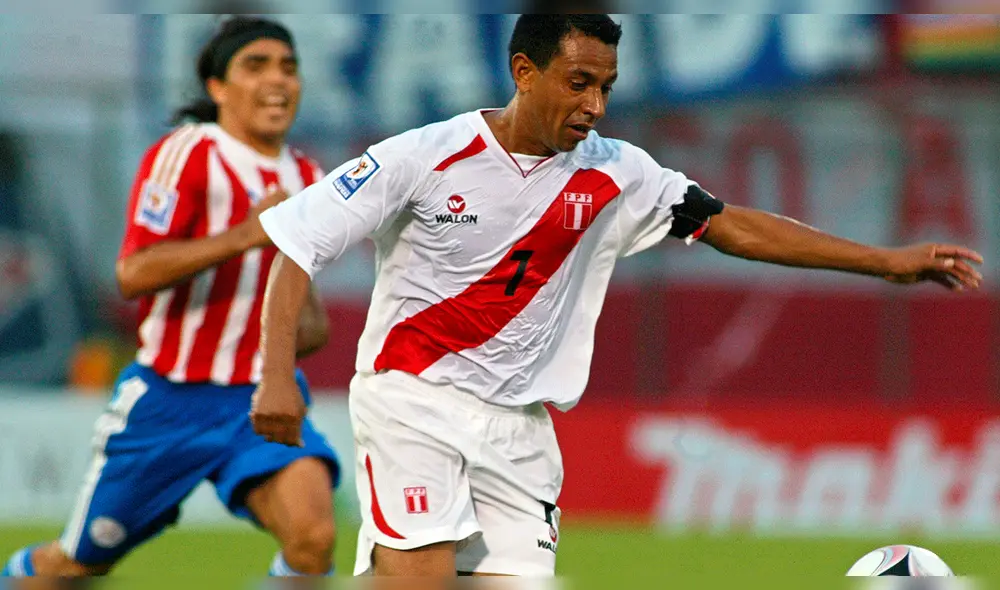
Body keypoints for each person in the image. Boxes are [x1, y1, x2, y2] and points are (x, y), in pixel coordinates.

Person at [247, 14, 983, 578]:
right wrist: (277, 374)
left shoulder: (620, 173)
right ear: (523, 71)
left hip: (521, 430)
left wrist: (884, 263)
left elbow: (734, 227)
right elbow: (295, 243)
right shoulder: (424, 155)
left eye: (605, 86)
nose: (595, 104)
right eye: (578, 83)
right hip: (414, 400)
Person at [2, 16, 340, 578]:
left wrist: (299, 326)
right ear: (217, 88)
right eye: (255, 66)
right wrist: (244, 235)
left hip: (255, 401)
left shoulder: (308, 175)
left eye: (288, 66)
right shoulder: (189, 152)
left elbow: (310, 321)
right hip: (168, 401)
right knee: (76, 564)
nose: (277, 80)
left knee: (314, 539)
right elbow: (132, 273)